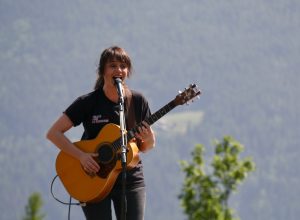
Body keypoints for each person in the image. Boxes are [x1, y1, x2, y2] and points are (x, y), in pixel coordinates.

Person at [46, 46, 155, 220]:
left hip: (130, 180)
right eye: (113, 65)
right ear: (102, 70)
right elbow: (53, 133)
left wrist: (148, 139)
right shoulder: (88, 102)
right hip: (92, 178)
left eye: (123, 66)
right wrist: (81, 156)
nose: (119, 70)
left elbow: (146, 147)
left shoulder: (138, 101)